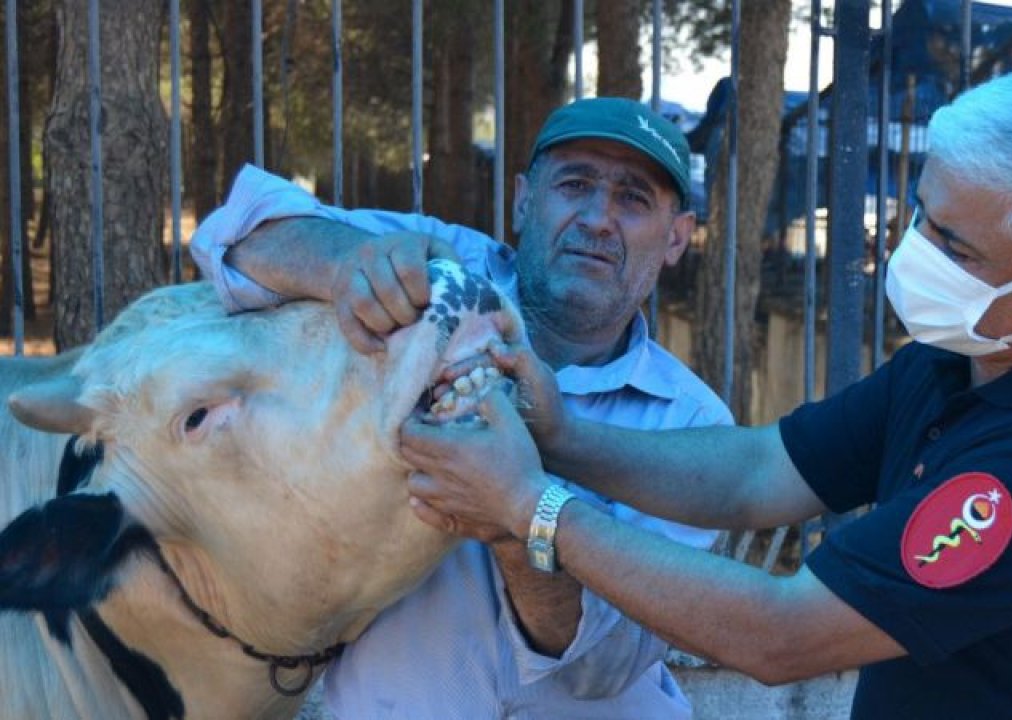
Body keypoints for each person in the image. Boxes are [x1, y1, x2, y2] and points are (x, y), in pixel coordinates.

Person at [401, 67, 1012, 719]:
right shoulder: (970, 352)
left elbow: (780, 635)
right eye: (921, 217)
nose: (914, 254)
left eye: (955, 246)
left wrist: (530, 506)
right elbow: (758, 471)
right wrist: (561, 431)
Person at [189, 97, 732, 718]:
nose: (599, 218)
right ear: (524, 202)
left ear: (676, 238)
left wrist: (513, 515)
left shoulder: (692, 426)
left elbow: (602, 667)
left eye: (634, 198)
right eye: (575, 184)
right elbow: (236, 237)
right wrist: (344, 264)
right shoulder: (445, 271)